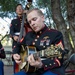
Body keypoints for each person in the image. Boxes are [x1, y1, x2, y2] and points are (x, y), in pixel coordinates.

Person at [12, 8, 66, 75]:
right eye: (30, 22)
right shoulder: (28, 35)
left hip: (51, 70)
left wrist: (41, 64)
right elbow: (18, 45)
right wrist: (15, 54)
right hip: (30, 70)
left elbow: (59, 60)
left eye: (34, 19)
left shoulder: (55, 34)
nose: (32, 23)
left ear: (42, 18)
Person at [10, 4, 32, 73]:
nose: (20, 9)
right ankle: (16, 72)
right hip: (16, 41)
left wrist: (27, 15)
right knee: (16, 56)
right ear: (16, 11)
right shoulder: (13, 21)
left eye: (21, 8)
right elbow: (11, 31)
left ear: (23, 10)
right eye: (18, 8)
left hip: (25, 42)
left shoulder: (27, 20)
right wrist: (14, 36)